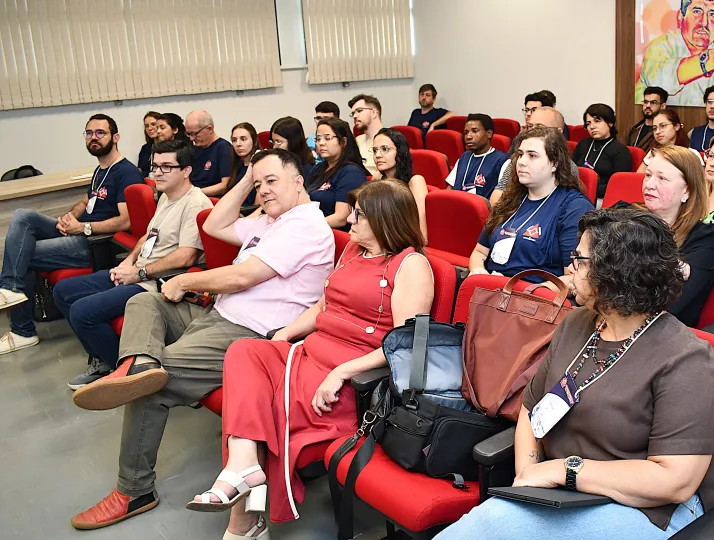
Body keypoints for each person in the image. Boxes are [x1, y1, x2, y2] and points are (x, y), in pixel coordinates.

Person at [69, 148, 335, 531]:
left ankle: (134, 490)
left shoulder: (305, 226)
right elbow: (213, 225)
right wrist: (248, 179)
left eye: (272, 182)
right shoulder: (272, 219)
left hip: (250, 334)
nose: (264, 192)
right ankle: (137, 364)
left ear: (298, 181)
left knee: (153, 387)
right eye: (259, 185)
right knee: (145, 301)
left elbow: (244, 277)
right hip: (218, 314)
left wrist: (185, 279)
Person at [437, 208, 714, 540]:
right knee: (486, 526)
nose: (568, 268)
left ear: (615, 273)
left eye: (579, 259)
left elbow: (675, 481)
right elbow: (532, 408)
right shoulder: (578, 323)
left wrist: (563, 470)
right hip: (564, 496)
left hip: (646, 509)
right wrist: (528, 472)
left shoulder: (687, 359)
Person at [188, 180, 434, 536]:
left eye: (360, 215)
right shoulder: (353, 250)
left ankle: (244, 522)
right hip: (307, 354)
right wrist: (286, 332)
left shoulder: (410, 266)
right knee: (244, 350)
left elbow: (406, 345)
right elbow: (322, 305)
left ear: (384, 219)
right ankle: (243, 467)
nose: (350, 220)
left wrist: (342, 372)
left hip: (352, 377)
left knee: (261, 411)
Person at [52, 139, 213, 389]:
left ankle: (127, 373)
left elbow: (186, 257)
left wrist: (137, 273)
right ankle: (104, 360)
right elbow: (148, 236)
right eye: (155, 165)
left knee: (83, 312)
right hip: (138, 271)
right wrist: (127, 263)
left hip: (157, 282)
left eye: (167, 166)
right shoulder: (166, 197)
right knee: (62, 291)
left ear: (186, 171)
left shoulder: (195, 203)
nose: (157, 172)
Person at [0, 114, 143, 355]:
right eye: (89, 133)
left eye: (100, 133)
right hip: (78, 231)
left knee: (20, 254)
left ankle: (22, 329)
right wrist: (71, 217)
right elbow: (88, 200)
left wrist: (83, 228)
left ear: (115, 137)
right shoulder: (101, 170)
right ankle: (11, 288)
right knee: (24, 216)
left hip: (90, 243)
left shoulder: (126, 172)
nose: (93, 138)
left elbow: (125, 220)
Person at [469, 126, 593, 280]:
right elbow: (480, 252)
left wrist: (516, 289)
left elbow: (574, 278)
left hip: (534, 297)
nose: (521, 162)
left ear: (554, 163)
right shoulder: (509, 199)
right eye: (520, 155)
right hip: (492, 290)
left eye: (532, 156)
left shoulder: (574, 207)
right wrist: (478, 271)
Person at [636, 145, 714, 327]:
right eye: (648, 175)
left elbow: (669, 305)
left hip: (660, 333)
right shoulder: (626, 216)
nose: (649, 184)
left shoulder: (704, 238)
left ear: (687, 191)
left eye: (662, 178)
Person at [637, 0, 714, 107]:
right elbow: (659, 84)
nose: (704, 22)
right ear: (681, 17)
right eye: (697, 11)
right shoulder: (660, 47)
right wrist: (712, 59)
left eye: (712, 14)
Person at [491, 107, 580, 207]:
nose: (532, 131)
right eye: (530, 126)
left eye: (539, 127)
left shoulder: (568, 167)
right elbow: (497, 196)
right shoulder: (518, 159)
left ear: (558, 132)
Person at [307, 117, 368, 230]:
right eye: (318, 139)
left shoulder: (351, 173)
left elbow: (341, 218)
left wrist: (307, 227)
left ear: (343, 142)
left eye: (327, 138)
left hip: (332, 234)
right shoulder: (318, 168)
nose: (321, 143)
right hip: (313, 228)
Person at [372, 127, 429, 238]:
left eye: (385, 149)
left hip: (402, 243)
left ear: (400, 152)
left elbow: (422, 233)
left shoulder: (415, 181)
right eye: (375, 150)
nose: (377, 155)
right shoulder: (377, 179)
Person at [572, 104, 634, 200]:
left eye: (597, 121)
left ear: (610, 123)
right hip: (576, 193)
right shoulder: (583, 144)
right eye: (588, 123)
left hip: (601, 198)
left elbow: (619, 185)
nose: (592, 127)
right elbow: (570, 172)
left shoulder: (621, 151)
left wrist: (589, 189)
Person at [446, 113, 511, 199]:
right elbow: (450, 187)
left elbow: (503, 198)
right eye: (466, 132)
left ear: (489, 134)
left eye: (474, 131)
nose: (468, 136)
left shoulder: (502, 161)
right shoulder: (464, 157)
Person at [636, 110, 700, 175]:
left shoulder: (691, 154)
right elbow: (638, 178)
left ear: (676, 126)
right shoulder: (653, 153)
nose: (657, 132)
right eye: (654, 128)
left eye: (663, 126)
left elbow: (700, 183)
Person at [185, 110, 234, 196]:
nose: (191, 139)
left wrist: (194, 194)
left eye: (194, 134)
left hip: (210, 199)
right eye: (189, 134)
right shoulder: (194, 149)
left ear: (209, 129)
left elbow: (225, 185)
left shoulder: (224, 148)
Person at [349, 94, 384, 176]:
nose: (355, 116)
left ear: (374, 113)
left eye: (359, 111)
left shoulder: (390, 139)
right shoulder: (358, 140)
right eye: (353, 113)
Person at [227, 122, 261, 207]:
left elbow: (257, 206)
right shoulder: (237, 166)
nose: (238, 144)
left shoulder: (260, 166)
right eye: (234, 140)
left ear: (254, 141)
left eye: (243, 139)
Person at [624, 86, 667, 151]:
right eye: (645, 102)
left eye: (653, 102)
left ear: (663, 106)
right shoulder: (632, 130)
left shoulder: (664, 132)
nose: (648, 106)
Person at [136, 111, 161, 177]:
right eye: (146, 126)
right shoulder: (145, 148)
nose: (149, 128)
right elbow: (141, 170)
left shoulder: (171, 147)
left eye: (153, 124)